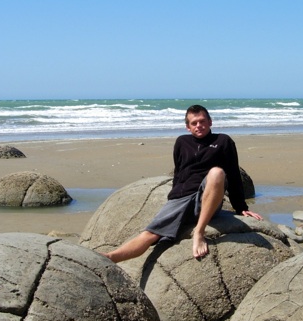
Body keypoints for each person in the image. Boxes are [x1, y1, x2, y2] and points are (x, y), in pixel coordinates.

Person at [105, 104, 262, 262]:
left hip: (205, 198)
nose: (198, 125)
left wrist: (241, 207)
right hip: (182, 197)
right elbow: (179, 173)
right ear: (188, 127)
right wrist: (173, 201)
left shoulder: (223, 141)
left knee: (217, 172)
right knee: (150, 234)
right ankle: (110, 257)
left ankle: (199, 233)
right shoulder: (182, 142)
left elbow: (234, 174)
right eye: (194, 123)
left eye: (202, 121)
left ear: (210, 122)